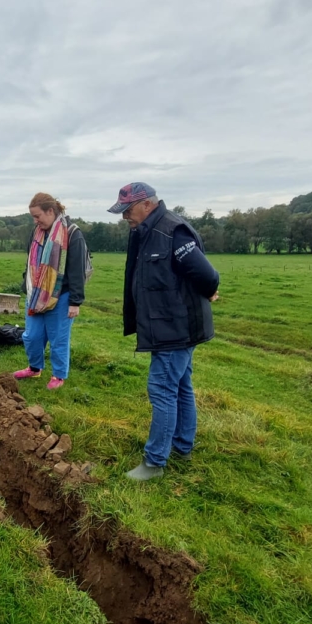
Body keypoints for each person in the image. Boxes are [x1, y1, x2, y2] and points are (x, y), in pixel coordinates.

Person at [109, 182, 220, 481]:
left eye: (128, 210)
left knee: (162, 388)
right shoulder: (145, 232)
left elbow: (208, 276)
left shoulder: (172, 232)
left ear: (147, 205)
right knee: (181, 385)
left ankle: (154, 462)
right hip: (167, 327)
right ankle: (182, 445)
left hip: (177, 329)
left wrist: (209, 291)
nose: (125, 218)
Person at [14, 193, 88, 390]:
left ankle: (58, 375)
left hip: (61, 295)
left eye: (37, 216)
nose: (35, 221)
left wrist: (75, 302)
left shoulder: (73, 234)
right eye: (33, 217)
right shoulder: (37, 232)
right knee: (32, 336)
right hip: (36, 295)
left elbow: (77, 270)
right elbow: (30, 261)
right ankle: (34, 368)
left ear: (51, 211)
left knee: (58, 339)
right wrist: (27, 285)